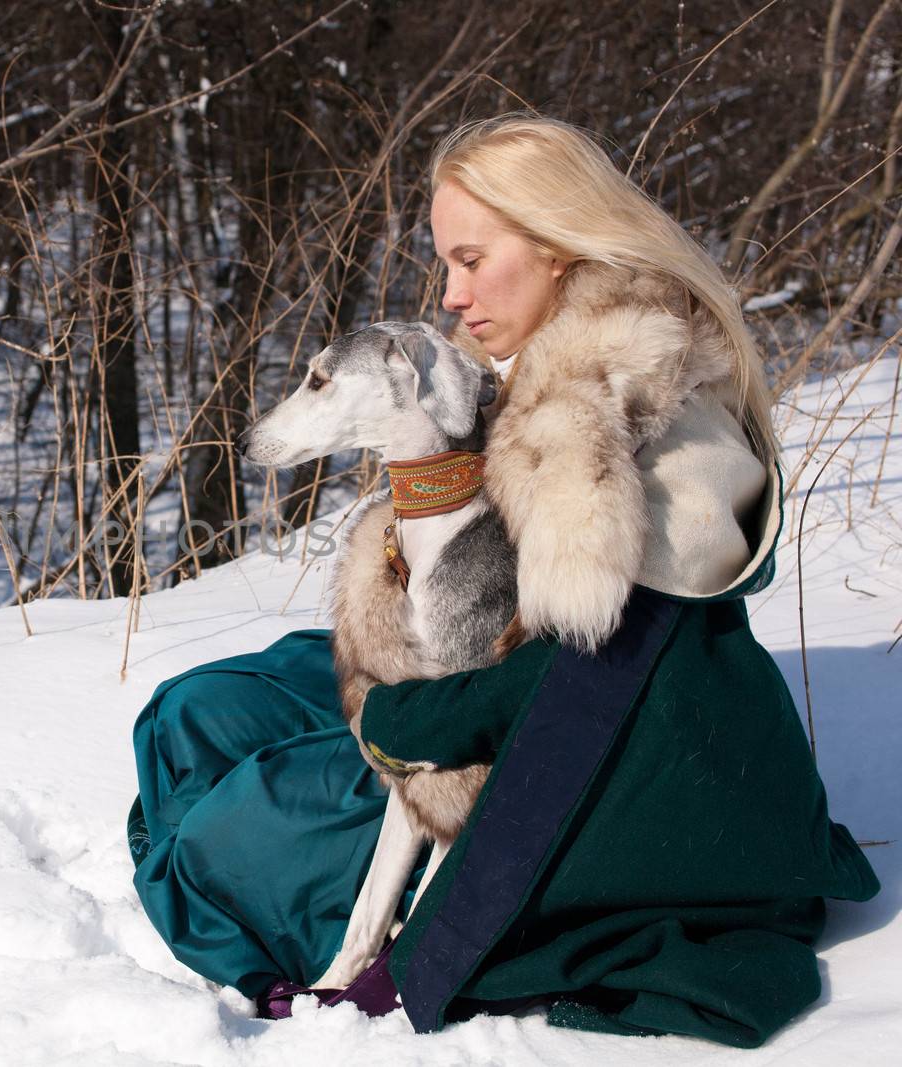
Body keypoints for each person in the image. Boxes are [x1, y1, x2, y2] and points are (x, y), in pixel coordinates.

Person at [126, 114, 879, 1049]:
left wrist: (408, 740)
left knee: (224, 842)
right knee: (193, 711)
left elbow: (597, 685)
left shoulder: (625, 412)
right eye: (447, 264)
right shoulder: (518, 362)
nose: (452, 294)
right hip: (457, 657)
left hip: (579, 777)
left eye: (474, 261)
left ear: (560, 247)